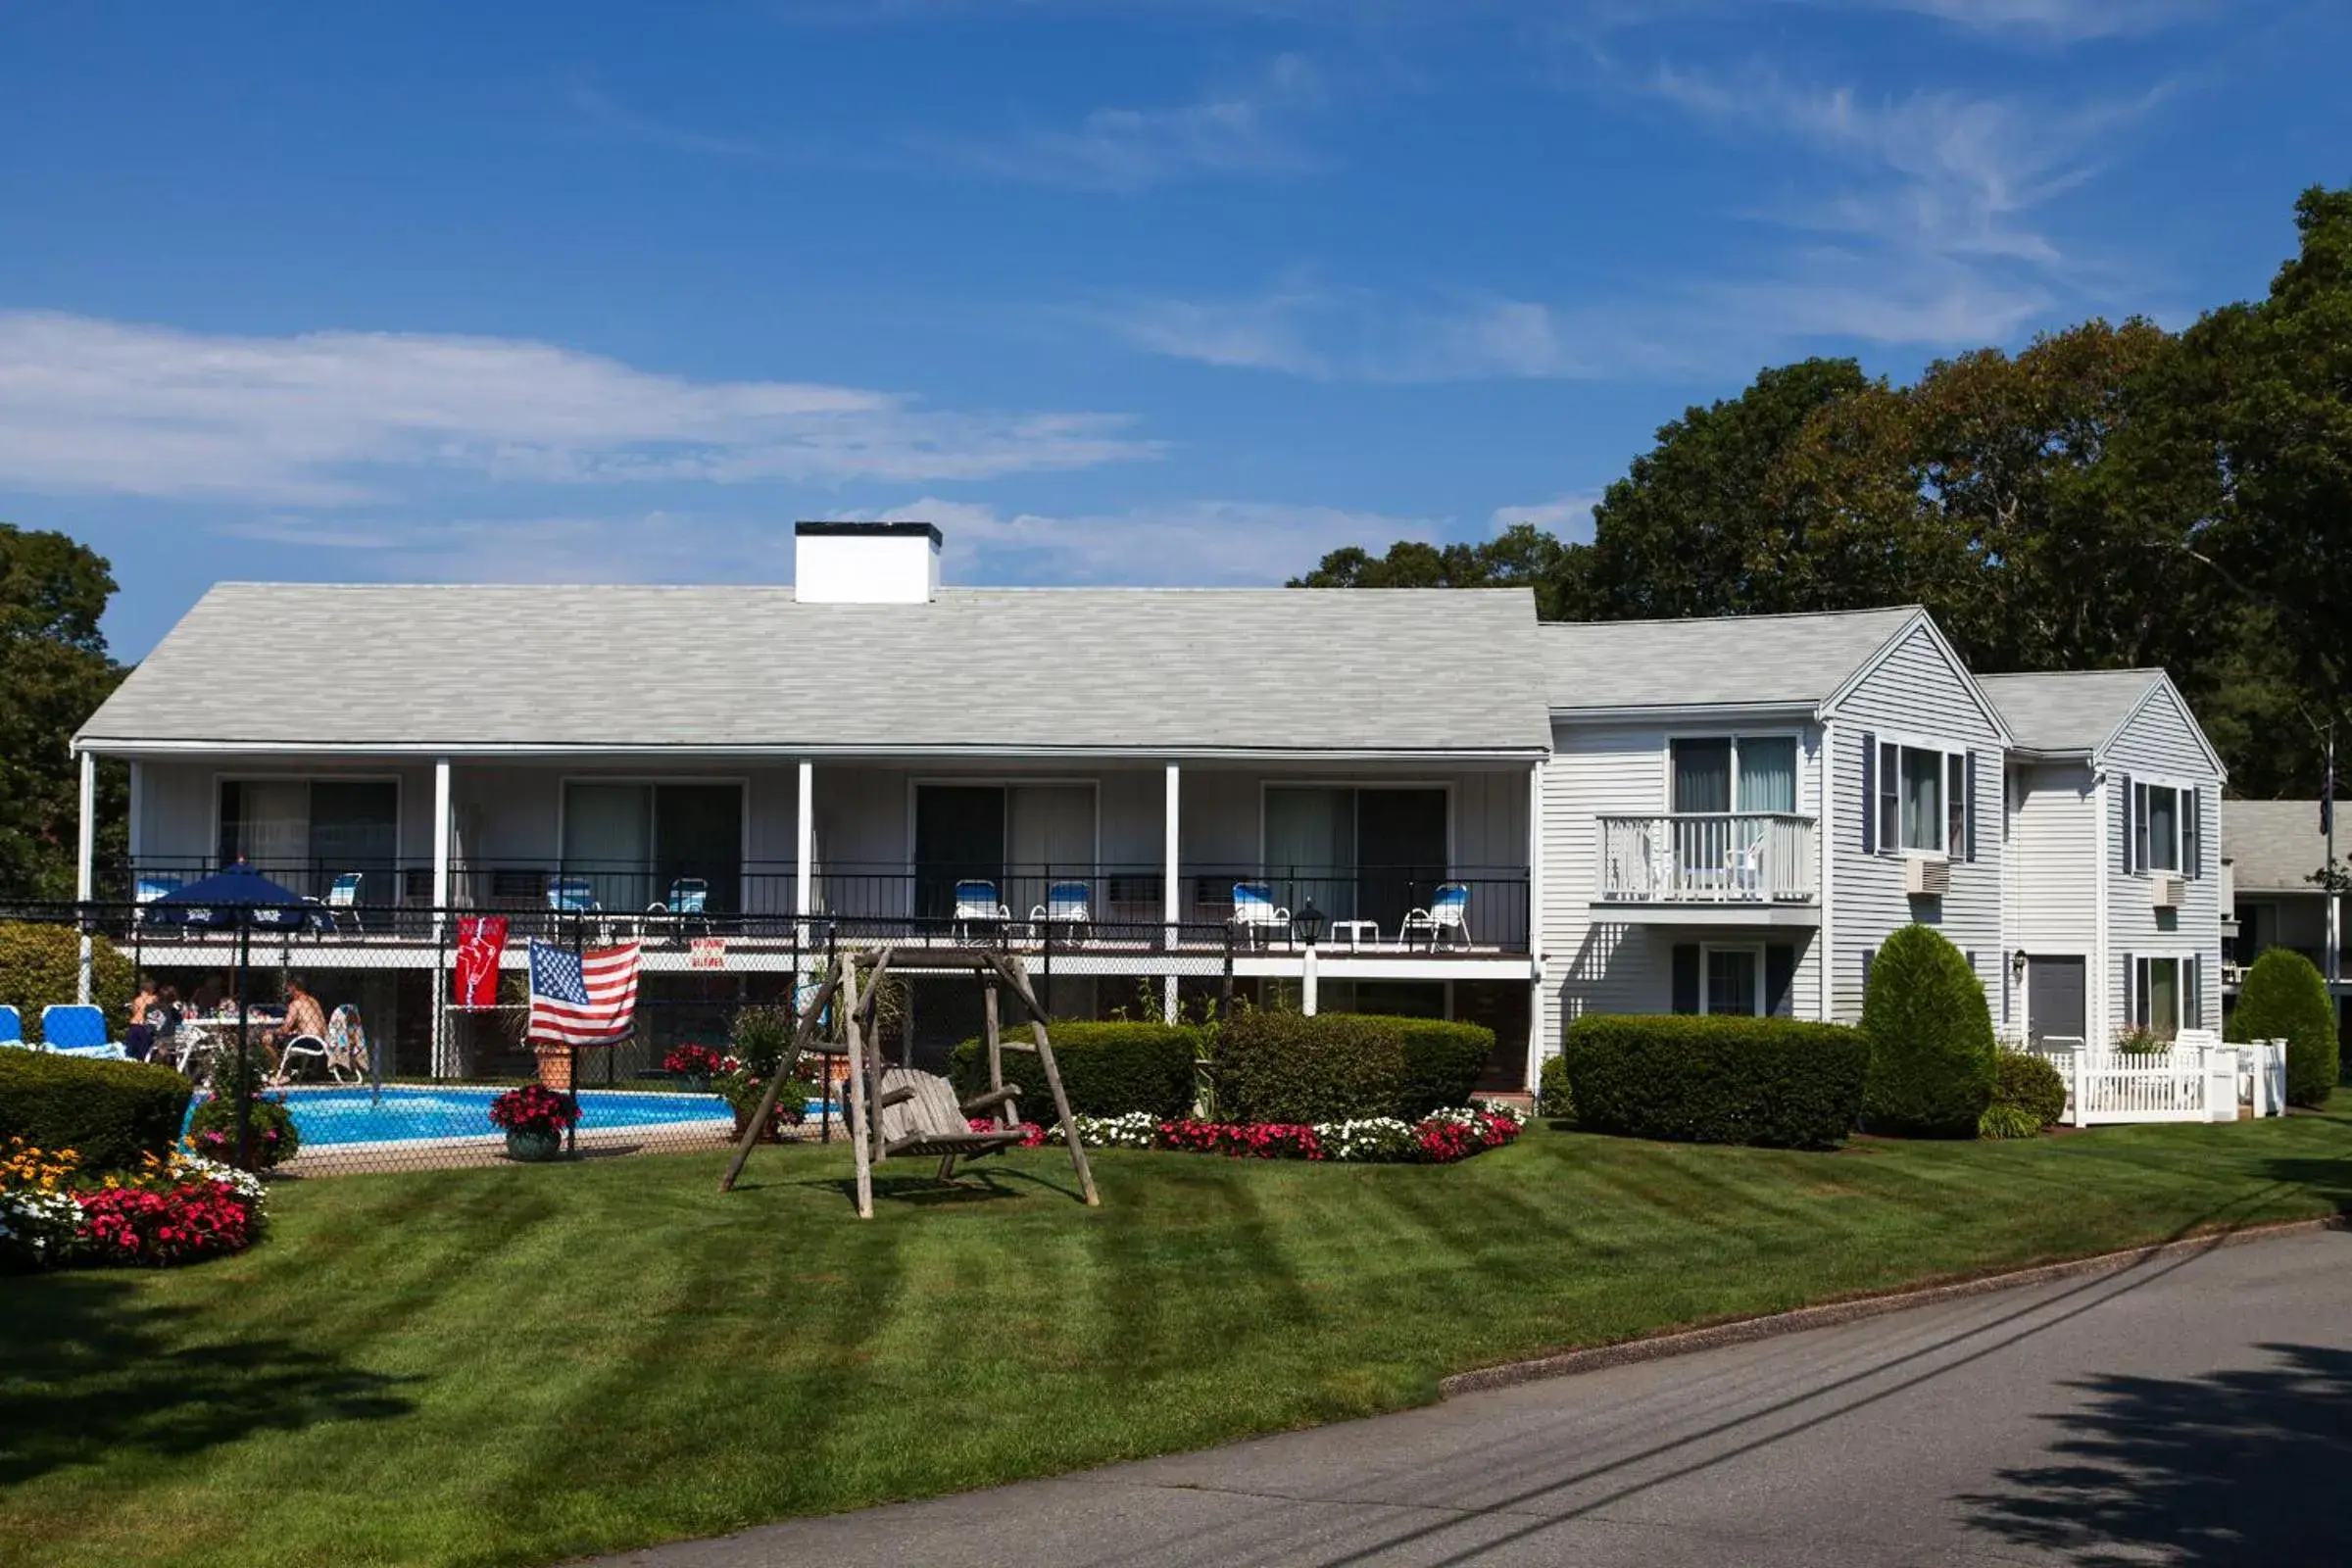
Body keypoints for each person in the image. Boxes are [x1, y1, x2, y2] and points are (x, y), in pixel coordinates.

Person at [262, 973, 327, 1062]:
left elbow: (285, 1030)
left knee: (269, 1038)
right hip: (322, 1041)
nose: (287, 990)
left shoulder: (295, 1003)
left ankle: (279, 1070)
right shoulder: (313, 1000)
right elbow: (307, 1022)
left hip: (308, 1041)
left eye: (288, 987)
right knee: (286, 1038)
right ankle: (285, 1069)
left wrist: (270, 1030)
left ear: (293, 987)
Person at [123, 975, 161, 1060]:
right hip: (144, 1027)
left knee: (131, 1050)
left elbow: (135, 1012)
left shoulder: (137, 1000)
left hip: (133, 1026)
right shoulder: (153, 999)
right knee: (144, 1051)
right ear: (152, 989)